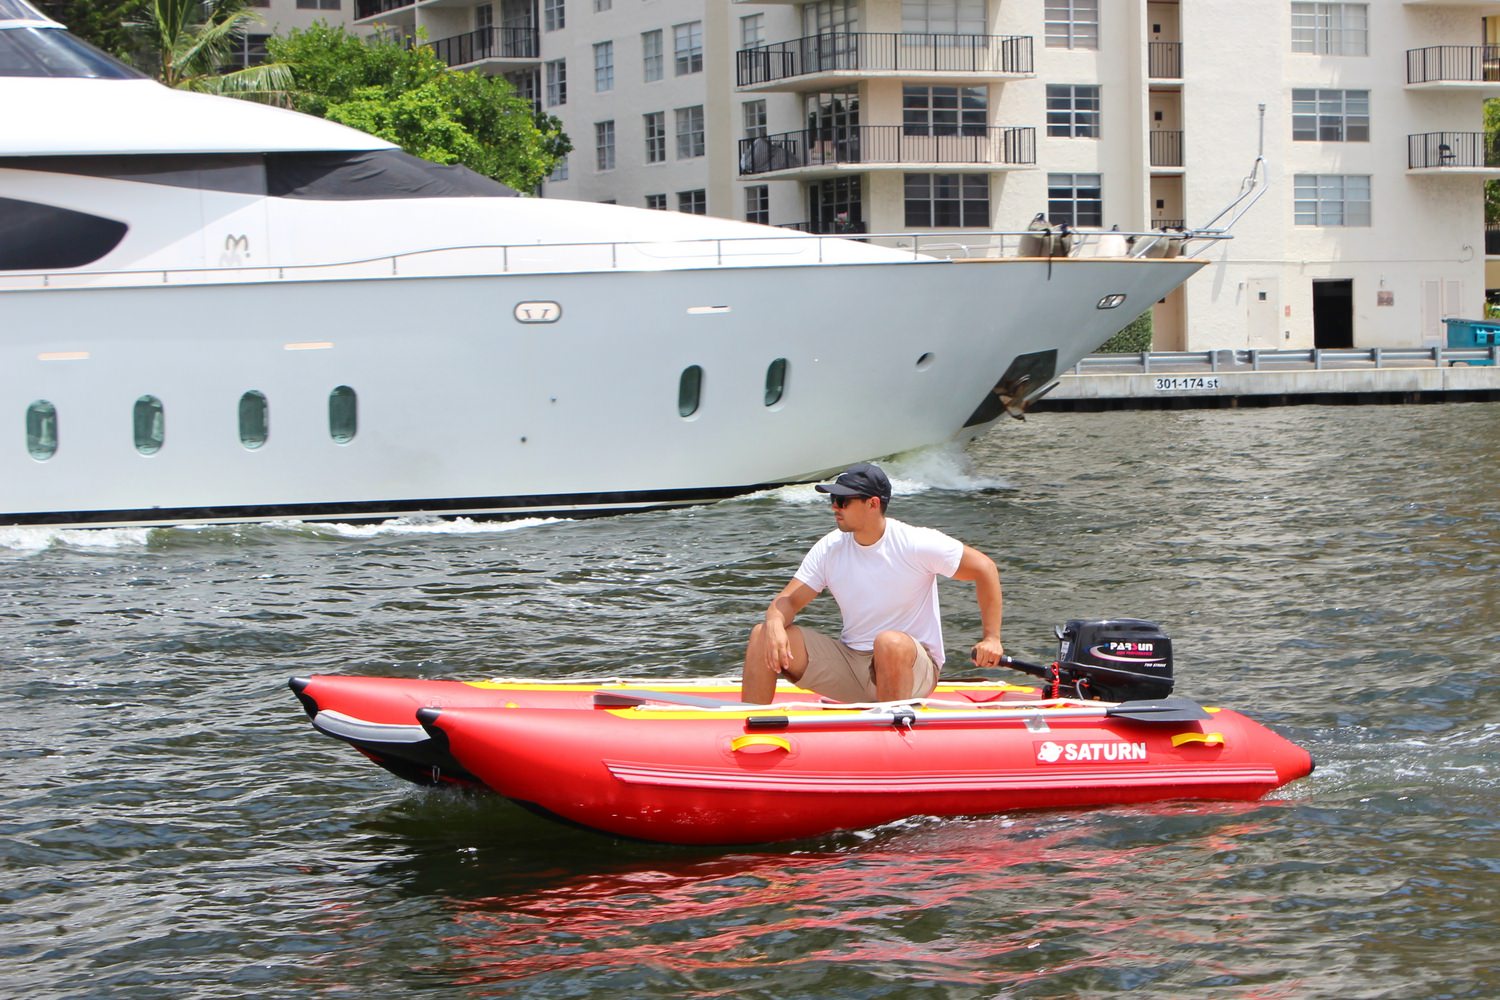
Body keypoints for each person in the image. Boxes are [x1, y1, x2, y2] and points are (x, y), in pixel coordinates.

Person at [741, 462, 1005, 704]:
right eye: (833, 499)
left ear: (873, 504)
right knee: (762, 634)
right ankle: (749, 734)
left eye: (843, 500)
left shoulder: (915, 543)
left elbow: (985, 569)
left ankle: (892, 737)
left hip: (911, 669)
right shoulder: (829, 548)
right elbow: (788, 601)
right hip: (852, 665)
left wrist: (991, 638)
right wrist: (774, 622)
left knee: (888, 643)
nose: (834, 507)